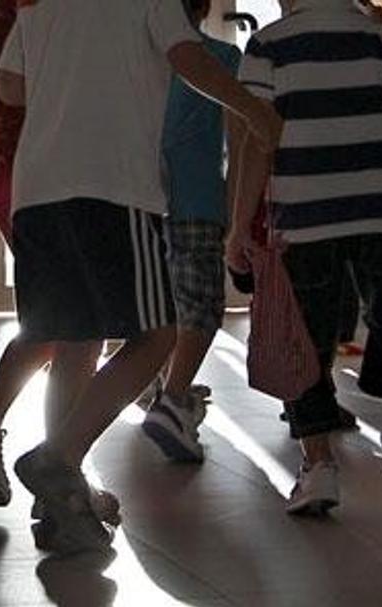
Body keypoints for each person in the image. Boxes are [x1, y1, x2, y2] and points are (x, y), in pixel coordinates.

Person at [0, 0, 282, 555]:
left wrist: (74, 81)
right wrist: (253, 109)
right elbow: (188, 58)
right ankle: (58, 457)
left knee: (76, 339)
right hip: (113, 188)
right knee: (158, 334)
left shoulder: (42, 7)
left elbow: (10, 87)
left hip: (38, 191)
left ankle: (57, 489)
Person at [227, 0, 382, 515]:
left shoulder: (269, 45)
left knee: (306, 346)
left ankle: (319, 466)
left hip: (306, 220)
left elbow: (259, 142)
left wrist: (237, 228)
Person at [140, 0, 242, 463]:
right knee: (199, 304)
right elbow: (235, 138)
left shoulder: (137, 55)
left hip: (141, 197)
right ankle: (174, 397)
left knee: (157, 302)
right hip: (199, 195)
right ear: (203, 8)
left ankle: (160, 384)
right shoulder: (221, 59)